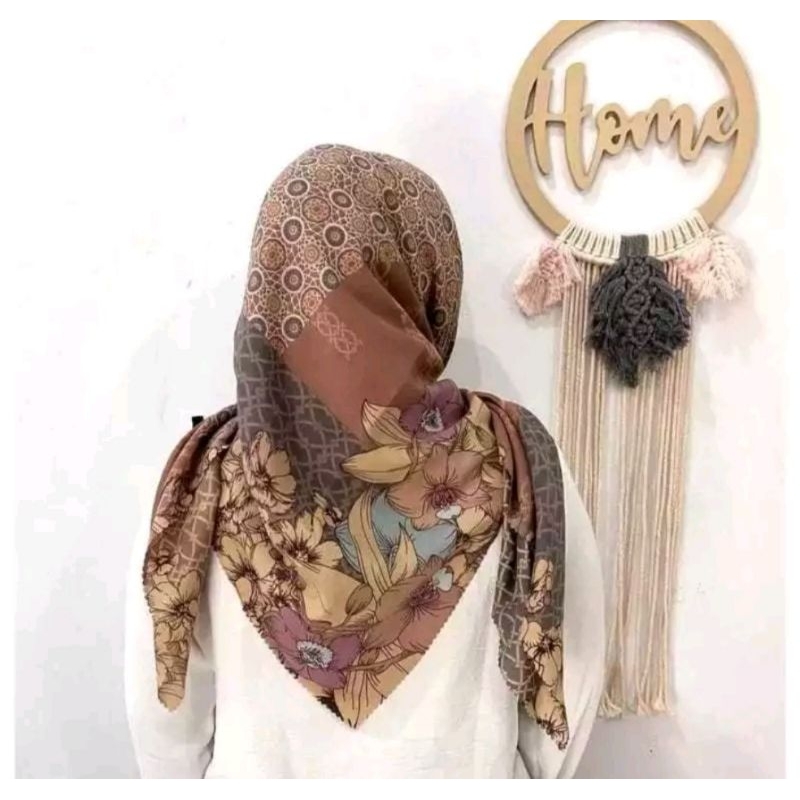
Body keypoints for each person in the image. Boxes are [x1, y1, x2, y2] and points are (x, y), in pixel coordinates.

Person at [124, 144, 604, 779]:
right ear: (421, 279)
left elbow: (165, 723)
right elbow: (561, 701)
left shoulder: (200, 482)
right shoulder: (517, 460)